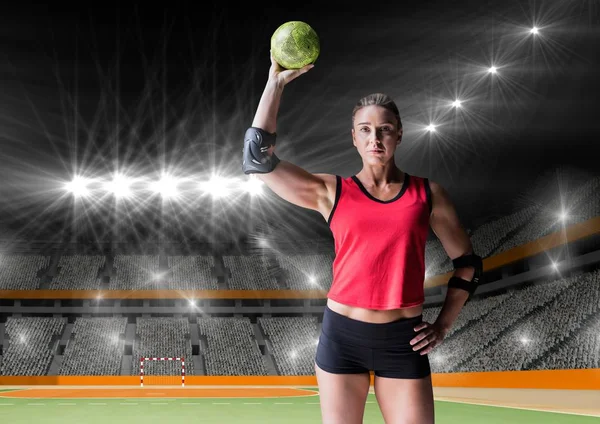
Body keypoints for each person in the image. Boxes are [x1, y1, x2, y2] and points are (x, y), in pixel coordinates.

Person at [242, 51, 483, 424]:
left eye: (385, 128)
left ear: (399, 134)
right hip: (343, 337)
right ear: (354, 137)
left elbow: (468, 264)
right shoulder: (331, 191)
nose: (376, 138)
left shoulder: (428, 194)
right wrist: (274, 84)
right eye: (366, 130)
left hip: (404, 340)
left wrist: (443, 325)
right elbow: (257, 159)